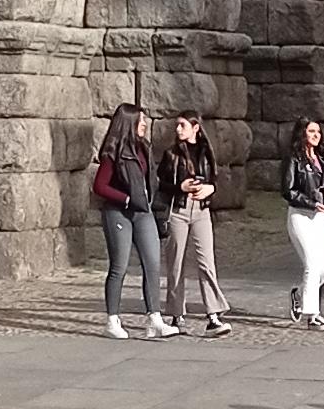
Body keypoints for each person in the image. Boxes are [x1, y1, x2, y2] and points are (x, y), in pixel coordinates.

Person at [92, 100, 171, 340]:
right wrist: (126, 199)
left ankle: (154, 318)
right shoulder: (112, 152)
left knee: (152, 263)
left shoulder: (143, 148)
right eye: (141, 120)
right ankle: (112, 319)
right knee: (119, 266)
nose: (145, 124)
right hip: (119, 212)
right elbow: (99, 186)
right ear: (130, 123)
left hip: (143, 211)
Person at [161, 108, 227, 334]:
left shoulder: (206, 152)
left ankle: (213, 314)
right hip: (178, 209)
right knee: (176, 263)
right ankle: (176, 314)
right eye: (177, 125)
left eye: (183, 125)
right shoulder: (171, 153)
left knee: (206, 261)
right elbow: (161, 185)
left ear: (195, 128)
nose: (178, 129)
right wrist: (180, 187)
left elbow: (215, 180)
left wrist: (210, 188)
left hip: (201, 209)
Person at [281, 114, 324, 329]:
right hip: (301, 215)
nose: (316, 135)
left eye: (318, 132)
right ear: (302, 133)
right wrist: (310, 202)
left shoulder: (321, 158)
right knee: (312, 265)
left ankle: (300, 293)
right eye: (311, 131)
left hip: (320, 217)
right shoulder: (293, 158)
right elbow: (288, 190)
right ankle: (313, 315)